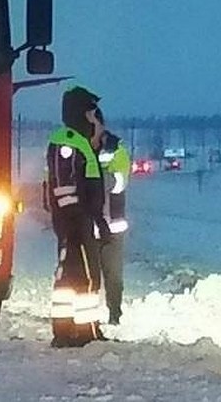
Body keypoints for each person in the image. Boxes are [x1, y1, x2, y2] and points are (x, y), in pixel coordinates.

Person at [45, 85, 108, 347]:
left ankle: (67, 331)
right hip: (75, 220)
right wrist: (77, 219)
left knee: (72, 275)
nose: (97, 121)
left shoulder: (80, 142)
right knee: (85, 275)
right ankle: (84, 332)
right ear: (81, 114)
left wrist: (97, 218)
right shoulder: (67, 141)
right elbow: (65, 187)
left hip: (79, 219)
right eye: (92, 114)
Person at [94, 110, 131, 325]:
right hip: (88, 225)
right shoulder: (80, 147)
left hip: (112, 227)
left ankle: (114, 315)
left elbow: (118, 182)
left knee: (113, 277)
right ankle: (88, 317)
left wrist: (90, 177)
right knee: (88, 277)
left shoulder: (116, 149)